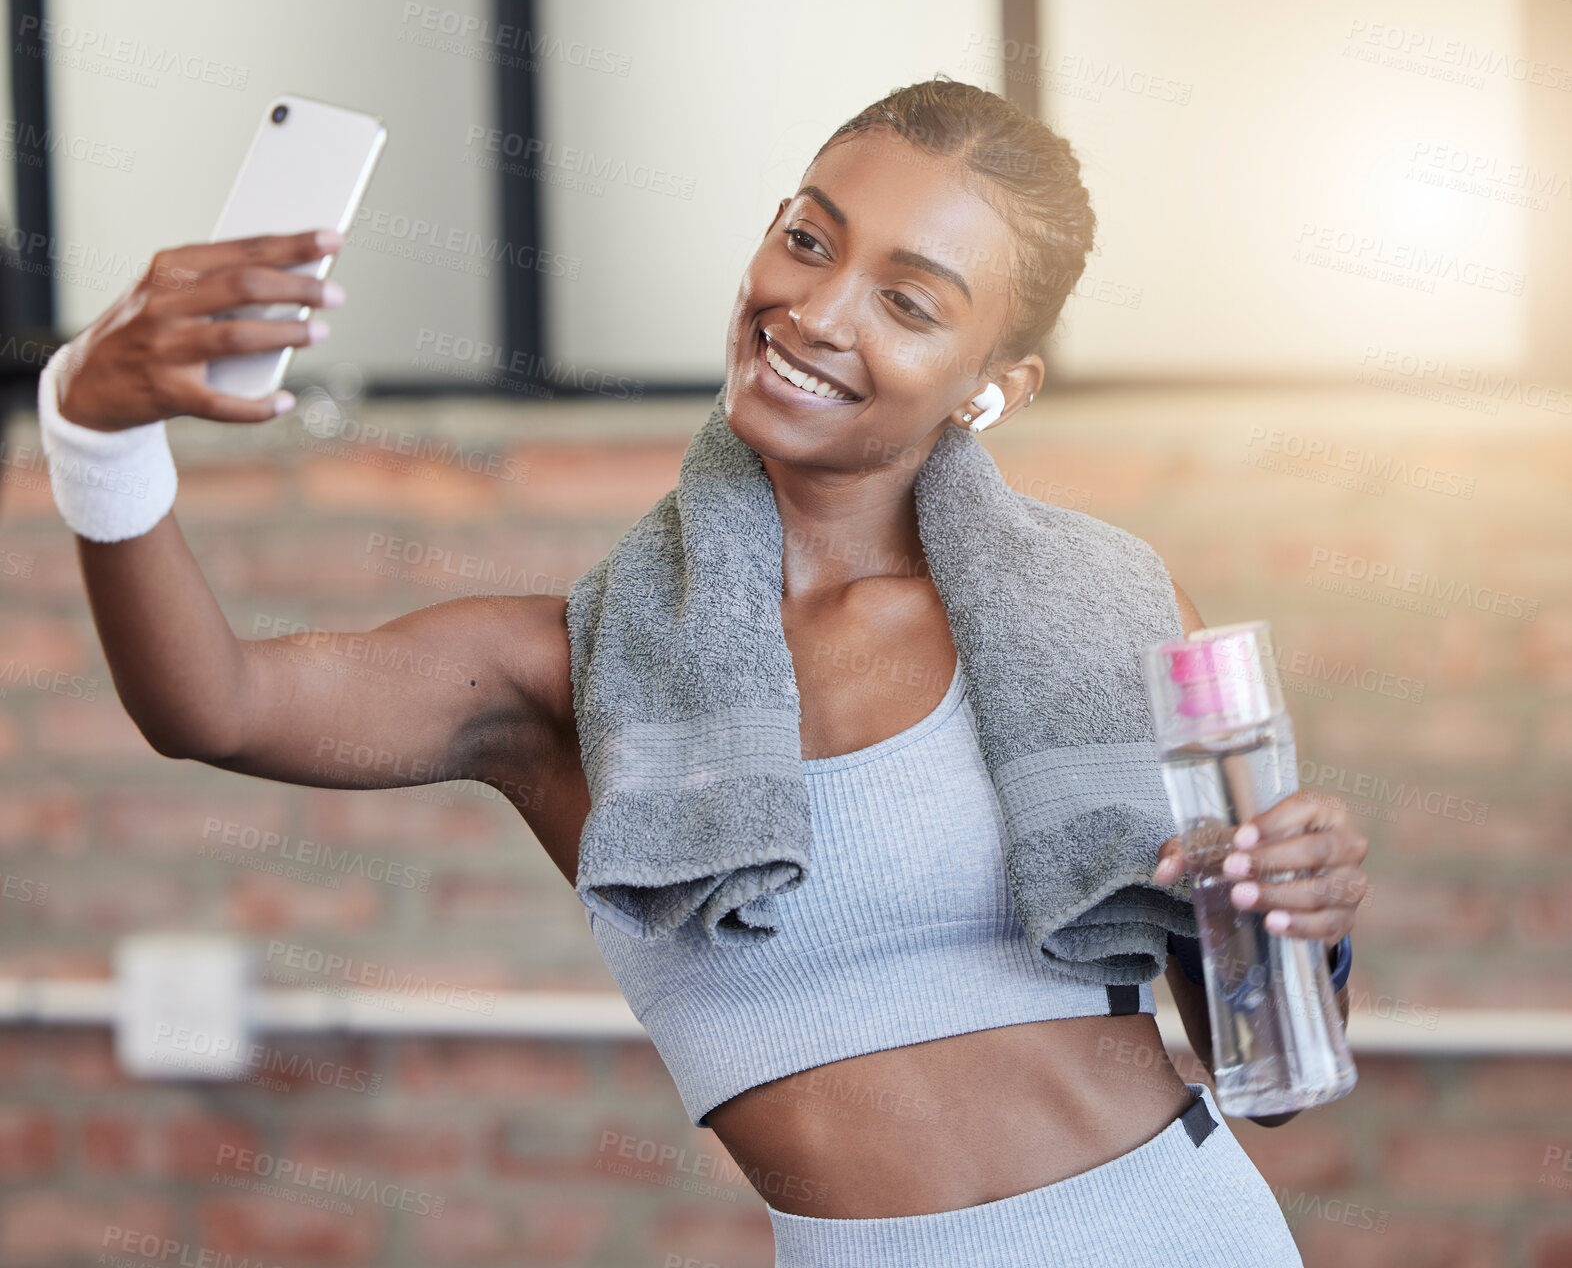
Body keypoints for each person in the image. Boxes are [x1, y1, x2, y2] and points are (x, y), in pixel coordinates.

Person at [41, 78, 1366, 1266]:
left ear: (991, 385)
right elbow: (209, 703)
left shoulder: (1113, 616)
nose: (817, 309)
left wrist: (1307, 924)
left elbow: (1282, 1073)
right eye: (808, 238)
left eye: (908, 302)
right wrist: (96, 432)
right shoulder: (578, 678)